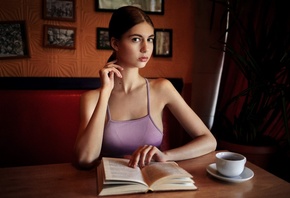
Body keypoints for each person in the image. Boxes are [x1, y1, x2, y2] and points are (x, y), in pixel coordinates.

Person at [74, 6, 216, 169]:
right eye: (136, 39)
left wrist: (166, 156)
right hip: (112, 188)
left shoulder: (162, 88)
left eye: (150, 39)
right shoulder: (92, 99)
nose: (146, 48)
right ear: (115, 43)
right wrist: (105, 93)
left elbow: (209, 140)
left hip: (154, 185)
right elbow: (84, 159)